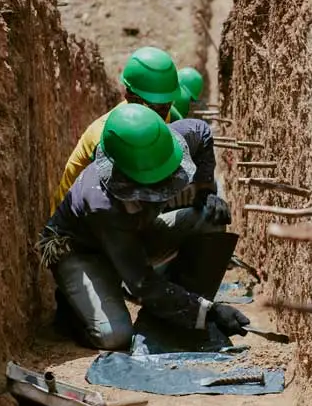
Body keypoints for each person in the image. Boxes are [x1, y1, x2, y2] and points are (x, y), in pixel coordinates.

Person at [38, 104, 250, 350]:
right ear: (128, 180)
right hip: (84, 252)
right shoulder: (102, 204)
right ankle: (73, 311)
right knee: (114, 336)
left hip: (136, 232)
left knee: (209, 217)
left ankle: (183, 308)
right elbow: (141, 283)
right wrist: (211, 313)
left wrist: (205, 192)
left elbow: (202, 132)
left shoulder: (166, 143)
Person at [50, 46, 180, 212]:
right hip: (77, 220)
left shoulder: (168, 116)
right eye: (157, 107)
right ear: (130, 97)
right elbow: (108, 207)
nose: (162, 115)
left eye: (167, 104)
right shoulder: (107, 138)